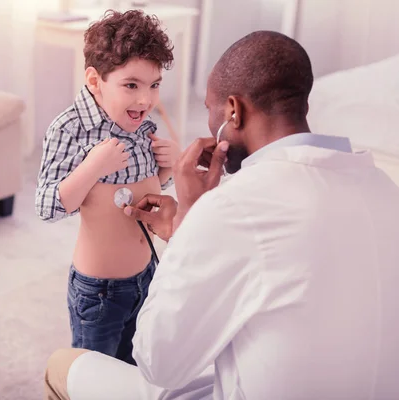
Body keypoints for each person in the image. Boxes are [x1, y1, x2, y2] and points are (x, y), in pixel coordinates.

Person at [44, 30, 399, 400]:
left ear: (234, 110)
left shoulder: (235, 206)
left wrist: (195, 219)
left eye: (209, 110)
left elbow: (157, 361)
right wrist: (191, 232)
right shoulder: (385, 189)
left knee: (63, 365)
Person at [35, 10, 180, 365]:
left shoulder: (143, 122)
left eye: (154, 85)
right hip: (100, 291)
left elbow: (142, 192)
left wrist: (169, 168)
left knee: (135, 367)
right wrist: (93, 167)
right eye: (131, 85)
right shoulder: (70, 128)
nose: (145, 100)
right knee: (94, 374)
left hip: (146, 274)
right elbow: (47, 206)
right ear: (95, 80)